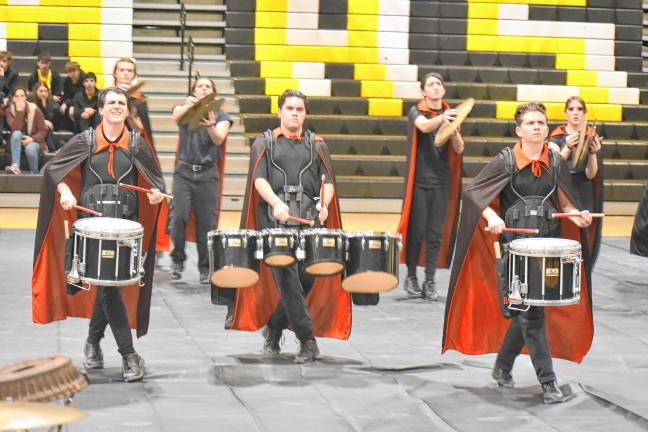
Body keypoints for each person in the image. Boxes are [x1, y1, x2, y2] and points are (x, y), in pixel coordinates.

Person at [442, 102, 594, 404]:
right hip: (516, 248)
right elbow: (473, 194)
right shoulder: (506, 160)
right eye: (531, 123)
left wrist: (577, 215)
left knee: (529, 311)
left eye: (541, 122)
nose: (537, 127)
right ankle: (548, 381)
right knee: (532, 313)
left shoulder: (555, 161)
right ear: (518, 130)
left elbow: (565, 204)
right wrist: (492, 217)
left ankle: (502, 365)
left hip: (548, 245)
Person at [32, 87, 166, 382]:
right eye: (112, 103)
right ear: (101, 110)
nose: (117, 107)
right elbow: (54, 169)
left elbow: (156, 184)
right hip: (90, 229)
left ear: (127, 110)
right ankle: (129, 355)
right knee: (108, 288)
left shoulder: (137, 144)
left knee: (108, 287)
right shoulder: (85, 141)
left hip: (124, 230)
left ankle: (93, 343)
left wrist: (155, 196)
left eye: (122, 103)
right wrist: (66, 191)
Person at [220, 89, 351, 362]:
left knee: (307, 280)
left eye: (299, 109)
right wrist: (276, 203)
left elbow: (328, 182)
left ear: (305, 113)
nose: (294, 113)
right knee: (289, 280)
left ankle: (275, 326)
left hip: (309, 224)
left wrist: (324, 205)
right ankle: (307, 340)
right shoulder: (264, 143)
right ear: (279, 111)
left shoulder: (317, 145)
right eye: (289, 108)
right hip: (275, 225)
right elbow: (259, 180)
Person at [396, 72, 463, 301]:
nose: (435, 88)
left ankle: (430, 280)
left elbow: (460, 148)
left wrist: (454, 131)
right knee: (416, 232)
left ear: (443, 91)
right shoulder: (417, 111)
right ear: (423, 92)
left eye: (438, 84)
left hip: (442, 182)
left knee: (435, 233)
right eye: (430, 85)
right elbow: (424, 127)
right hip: (420, 182)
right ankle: (412, 277)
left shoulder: (450, 114)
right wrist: (444, 118)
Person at [168, 77, 232, 283]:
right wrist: (188, 106)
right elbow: (176, 117)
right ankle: (177, 259)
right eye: (199, 86)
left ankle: (205, 267)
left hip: (207, 174)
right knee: (178, 217)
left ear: (213, 92)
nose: (203, 89)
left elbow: (219, 138)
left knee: (207, 222)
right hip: (184, 172)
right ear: (193, 91)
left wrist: (211, 126)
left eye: (207, 86)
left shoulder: (221, 115)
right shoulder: (184, 109)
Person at [112, 57, 171, 259]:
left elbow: (141, 130)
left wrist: (130, 111)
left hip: (134, 152)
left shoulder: (139, 99)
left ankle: (144, 241)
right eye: (122, 70)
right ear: (116, 73)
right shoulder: (108, 96)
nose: (126, 73)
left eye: (130, 70)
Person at [549, 96, 603, 265]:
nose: (575, 113)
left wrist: (593, 154)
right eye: (571, 109)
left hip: (584, 189)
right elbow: (555, 165)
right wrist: (568, 147)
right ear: (565, 113)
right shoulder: (557, 136)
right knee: (564, 231)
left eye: (580, 109)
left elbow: (591, 174)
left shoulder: (591, 136)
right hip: (564, 188)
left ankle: (583, 272)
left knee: (584, 234)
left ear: (585, 113)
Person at [3, 87, 47, 174]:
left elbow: (43, 131)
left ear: (25, 97)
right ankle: (15, 166)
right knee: (16, 134)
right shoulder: (9, 111)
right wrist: (19, 111)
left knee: (30, 148)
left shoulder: (35, 110)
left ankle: (34, 172)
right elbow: (15, 129)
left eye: (22, 96)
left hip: (34, 142)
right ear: (13, 98)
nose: (20, 98)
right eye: (17, 96)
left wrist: (32, 139)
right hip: (17, 143)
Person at [31, 81, 61, 152]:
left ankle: (54, 148)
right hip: (35, 129)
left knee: (47, 128)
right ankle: (53, 148)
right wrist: (42, 121)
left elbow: (51, 121)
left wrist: (44, 106)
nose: (43, 93)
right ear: (36, 92)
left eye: (45, 91)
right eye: (41, 91)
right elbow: (31, 119)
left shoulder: (52, 103)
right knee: (45, 127)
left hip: (50, 129)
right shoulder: (31, 102)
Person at [59, 61, 85, 132]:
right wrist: (65, 103)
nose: (72, 74)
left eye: (74, 71)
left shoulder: (84, 80)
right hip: (71, 101)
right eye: (69, 72)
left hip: (83, 102)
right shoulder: (67, 80)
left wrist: (69, 104)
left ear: (78, 70)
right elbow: (66, 95)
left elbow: (80, 96)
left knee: (75, 110)